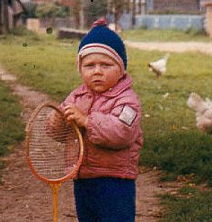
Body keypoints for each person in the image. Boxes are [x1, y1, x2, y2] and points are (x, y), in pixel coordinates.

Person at [49, 19, 143, 222]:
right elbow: (60, 134)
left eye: (106, 65)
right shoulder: (76, 97)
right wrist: (58, 119)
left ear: (121, 69)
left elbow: (122, 134)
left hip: (115, 181)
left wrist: (87, 121)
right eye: (89, 65)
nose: (97, 71)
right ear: (80, 69)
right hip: (84, 179)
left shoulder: (127, 101)